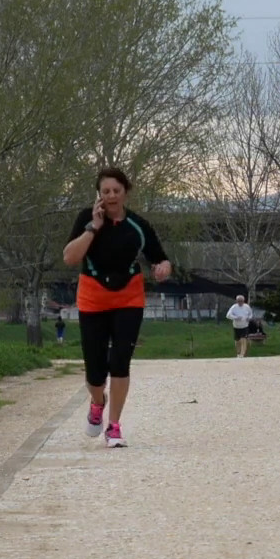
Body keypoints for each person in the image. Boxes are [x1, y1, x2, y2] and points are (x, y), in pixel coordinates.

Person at [61, 167, 171, 447]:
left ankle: (114, 426)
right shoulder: (87, 218)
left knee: (120, 361)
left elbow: (160, 258)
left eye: (116, 191)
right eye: (105, 191)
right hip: (93, 296)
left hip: (128, 297)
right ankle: (98, 402)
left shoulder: (138, 225)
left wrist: (163, 267)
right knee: (95, 371)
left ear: (125, 192)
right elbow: (70, 258)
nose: (111, 196)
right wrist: (92, 228)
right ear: (99, 195)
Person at [226, 293, 254, 358]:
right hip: (236, 326)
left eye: (241, 301)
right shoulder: (234, 307)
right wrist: (235, 317)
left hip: (245, 326)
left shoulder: (247, 307)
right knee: (237, 341)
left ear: (243, 301)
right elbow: (228, 315)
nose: (240, 302)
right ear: (236, 301)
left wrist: (249, 318)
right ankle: (238, 353)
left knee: (243, 339)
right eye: (239, 301)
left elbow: (251, 314)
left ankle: (243, 353)